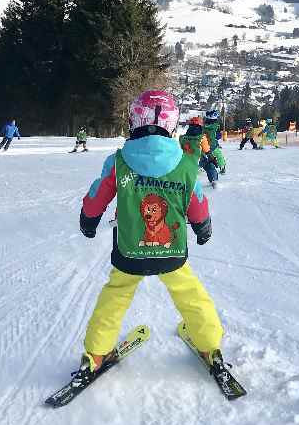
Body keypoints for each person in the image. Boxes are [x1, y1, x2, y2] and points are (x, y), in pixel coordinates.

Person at [75, 90, 225, 381]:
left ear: (134, 121)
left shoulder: (119, 161)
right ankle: (210, 346)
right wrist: (202, 227)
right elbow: (196, 203)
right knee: (190, 295)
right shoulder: (185, 163)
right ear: (171, 125)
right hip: (171, 253)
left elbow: (97, 197)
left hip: (130, 251)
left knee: (115, 296)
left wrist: (88, 220)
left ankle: (94, 354)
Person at [181, 116, 219, 188]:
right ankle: (214, 180)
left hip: (185, 159)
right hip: (198, 159)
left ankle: (184, 181)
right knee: (209, 165)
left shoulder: (182, 138)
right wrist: (212, 158)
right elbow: (207, 151)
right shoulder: (201, 137)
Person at [202, 109, 227, 175]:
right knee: (219, 156)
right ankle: (222, 167)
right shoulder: (216, 126)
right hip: (213, 145)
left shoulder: (203, 126)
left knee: (203, 156)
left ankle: (199, 168)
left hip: (204, 145)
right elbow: (218, 136)